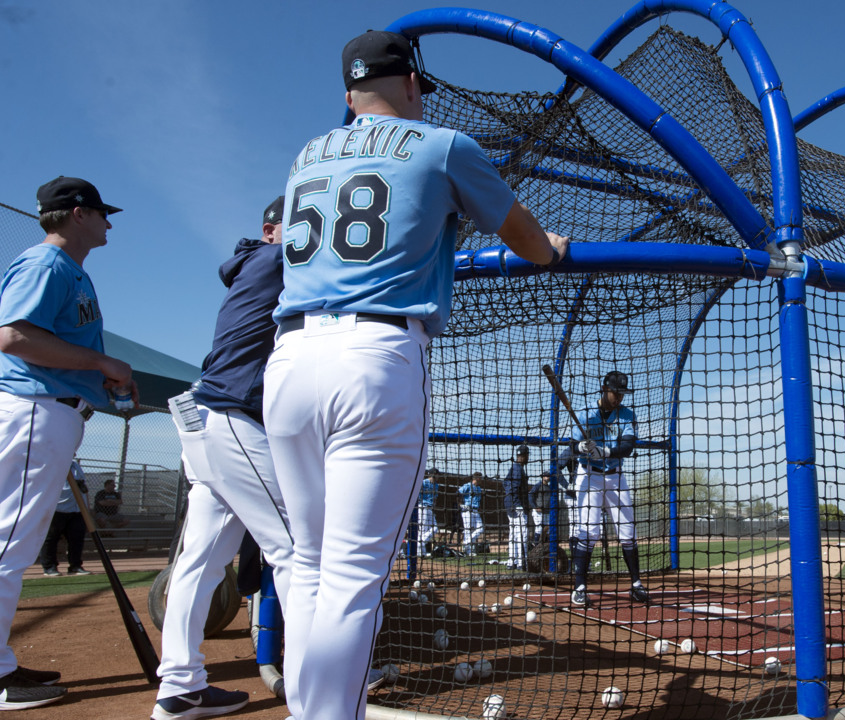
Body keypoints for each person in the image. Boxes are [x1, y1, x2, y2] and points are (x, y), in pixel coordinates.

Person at [262, 28, 569, 719]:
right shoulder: (442, 144)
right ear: (411, 85)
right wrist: (548, 251)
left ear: (348, 93)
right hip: (374, 357)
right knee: (350, 579)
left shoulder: (307, 155)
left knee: (308, 570)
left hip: (287, 363)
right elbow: (525, 236)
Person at [0, 176, 137, 711]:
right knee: (5, 545)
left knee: (10, 544)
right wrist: (102, 362)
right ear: (78, 213)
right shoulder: (46, 264)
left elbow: (45, 342)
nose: (108, 222)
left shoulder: (68, 271)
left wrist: (95, 375)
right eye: (103, 213)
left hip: (46, 413)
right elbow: (14, 337)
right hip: (32, 412)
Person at [151, 196, 296, 720]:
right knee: (298, 551)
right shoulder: (278, 258)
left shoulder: (259, 261)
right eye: (300, 221)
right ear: (270, 229)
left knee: (202, 559)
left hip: (212, 421)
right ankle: (318, 677)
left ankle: (180, 687)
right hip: (235, 418)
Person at [567, 370, 648, 607]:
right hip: (589, 474)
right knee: (590, 532)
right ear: (605, 389)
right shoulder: (585, 414)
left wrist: (606, 451)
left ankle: (636, 585)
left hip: (615, 475)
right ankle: (580, 587)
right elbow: (571, 447)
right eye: (616, 393)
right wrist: (581, 447)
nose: (619, 398)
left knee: (627, 531)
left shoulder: (626, 415)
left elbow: (628, 446)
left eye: (622, 394)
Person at [40, 461, 90, 577]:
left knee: (77, 539)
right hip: (57, 508)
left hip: (77, 509)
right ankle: (49, 567)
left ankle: (75, 566)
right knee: (51, 539)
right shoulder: (53, 464)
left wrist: (87, 508)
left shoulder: (76, 466)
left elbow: (83, 487)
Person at [501, 446, 532, 568]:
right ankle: (521, 562)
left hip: (510, 504)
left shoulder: (514, 467)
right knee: (522, 534)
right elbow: (514, 488)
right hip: (516, 505)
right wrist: (517, 504)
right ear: (524, 456)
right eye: (527, 455)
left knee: (513, 534)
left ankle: (512, 561)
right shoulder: (518, 469)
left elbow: (505, 483)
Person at [457, 473, 486, 556]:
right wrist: (460, 504)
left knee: (480, 528)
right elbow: (458, 493)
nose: (481, 480)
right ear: (477, 478)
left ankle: (466, 543)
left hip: (475, 510)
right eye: (480, 478)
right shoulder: (468, 486)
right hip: (467, 510)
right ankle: (469, 551)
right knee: (468, 530)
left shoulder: (479, 489)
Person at [415, 472, 438, 557]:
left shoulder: (436, 485)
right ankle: (421, 552)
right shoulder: (423, 482)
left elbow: (435, 497)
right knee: (423, 529)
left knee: (435, 528)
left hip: (430, 508)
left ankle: (420, 545)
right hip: (422, 507)